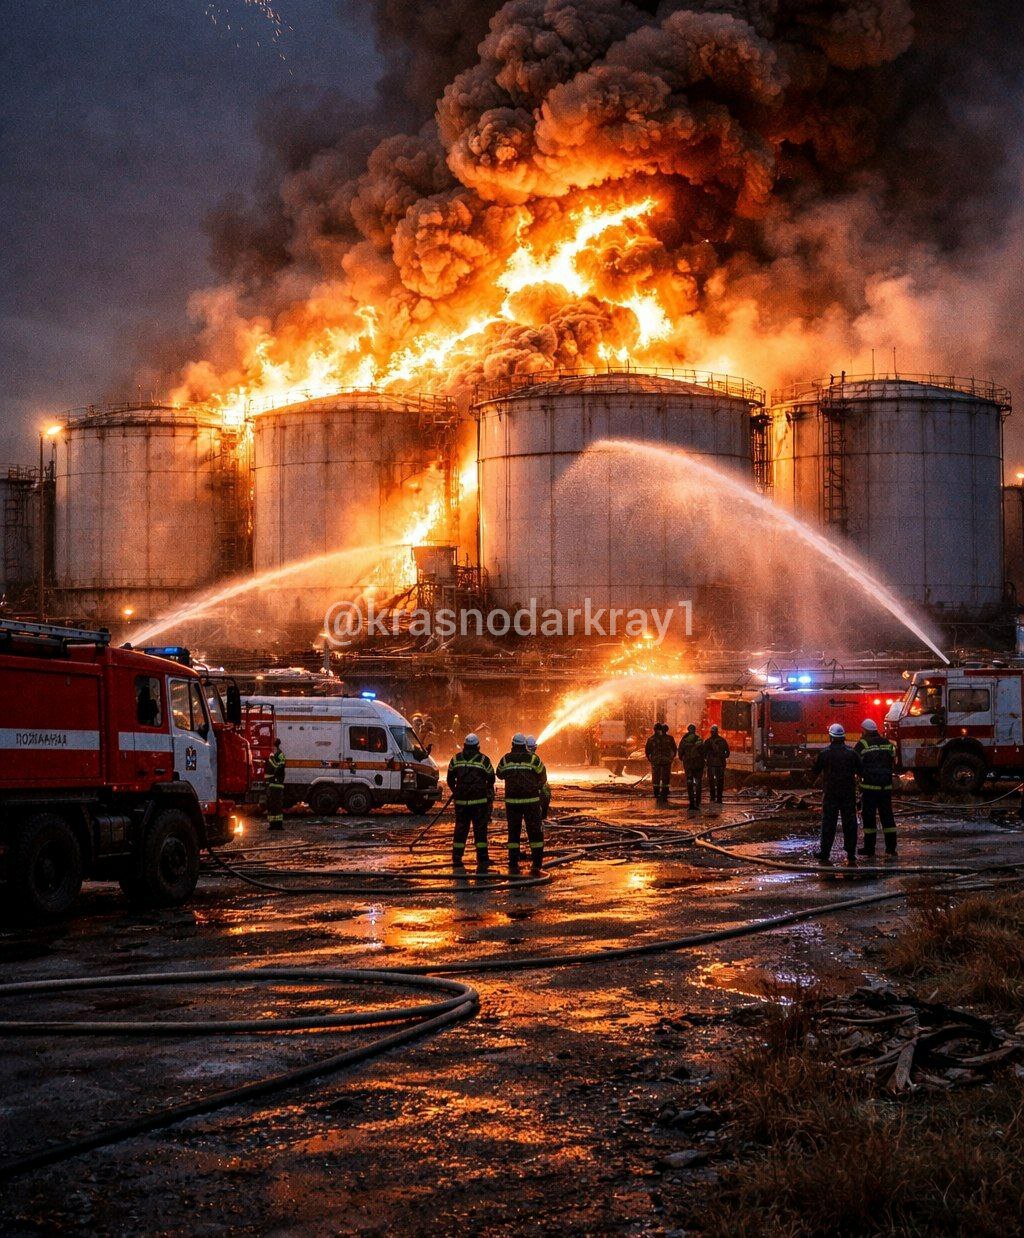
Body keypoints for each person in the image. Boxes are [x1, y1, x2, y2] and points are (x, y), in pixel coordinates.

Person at [810, 723, 862, 866]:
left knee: (828, 823)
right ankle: (851, 854)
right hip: (848, 793)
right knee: (850, 824)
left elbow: (814, 772)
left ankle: (825, 852)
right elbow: (861, 771)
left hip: (831, 794)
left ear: (831, 737)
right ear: (843, 737)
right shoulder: (852, 753)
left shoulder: (825, 753)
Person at [497, 733, 547, 874]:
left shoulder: (506, 759)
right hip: (531, 802)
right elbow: (543, 776)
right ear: (525, 745)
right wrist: (535, 786)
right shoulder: (533, 759)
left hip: (512, 802)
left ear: (512, 744)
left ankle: (513, 862)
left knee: (513, 833)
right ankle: (537, 863)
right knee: (535, 832)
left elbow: (499, 773)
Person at [446, 733, 495, 871]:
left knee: (460, 829)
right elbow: (491, 778)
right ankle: (482, 858)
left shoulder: (456, 759)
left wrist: (456, 791)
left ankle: (456, 858)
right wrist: (485, 790)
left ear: (464, 745)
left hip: (461, 802)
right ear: (478, 746)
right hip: (479, 803)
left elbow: (450, 779)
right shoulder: (483, 760)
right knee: (480, 830)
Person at [856, 718, 898, 857]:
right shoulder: (887, 743)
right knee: (887, 817)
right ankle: (891, 849)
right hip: (885, 787)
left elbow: (855, 762)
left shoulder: (862, 744)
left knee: (869, 817)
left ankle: (869, 848)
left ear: (865, 731)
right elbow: (893, 759)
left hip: (869, 788)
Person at [645, 723, 677, 801]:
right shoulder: (669, 738)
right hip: (666, 761)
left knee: (656, 777)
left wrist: (650, 759)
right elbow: (674, 749)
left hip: (656, 761)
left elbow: (647, 751)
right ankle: (665, 792)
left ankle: (656, 793)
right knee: (665, 777)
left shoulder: (651, 739)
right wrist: (671, 758)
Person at [678, 724, 705, 812]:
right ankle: (698, 801)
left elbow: (680, 752)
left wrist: (683, 758)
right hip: (698, 764)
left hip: (688, 764)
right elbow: (703, 752)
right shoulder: (699, 739)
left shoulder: (684, 740)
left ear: (688, 730)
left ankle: (692, 802)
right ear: (694, 730)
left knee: (689, 781)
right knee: (698, 782)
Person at [702, 724, 730, 804]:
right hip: (720, 764)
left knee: (711, 781)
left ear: (711, 732)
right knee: (720, 781)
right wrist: (722, 756)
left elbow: (703, 753)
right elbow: (727, 753)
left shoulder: (707, 741)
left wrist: (707, 759)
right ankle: (719, 798)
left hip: (711, 764)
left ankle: (712, 797)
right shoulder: (723, 741)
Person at [525, 736, 551, 818]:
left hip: (523, 789)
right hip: (531, 789)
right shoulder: (535, 759)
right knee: (546, 792)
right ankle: (543, 816)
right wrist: (538, 786)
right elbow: (543, 775)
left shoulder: (519, 757)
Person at [265, 738, 287, 832]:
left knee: (276, 806)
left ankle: (277, 825)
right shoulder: (276, 754)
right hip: (273, 783)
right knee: (273, 806)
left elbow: (280, 766)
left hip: (275, 783)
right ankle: (274, 825)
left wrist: (276, 777)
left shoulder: (277, 755)